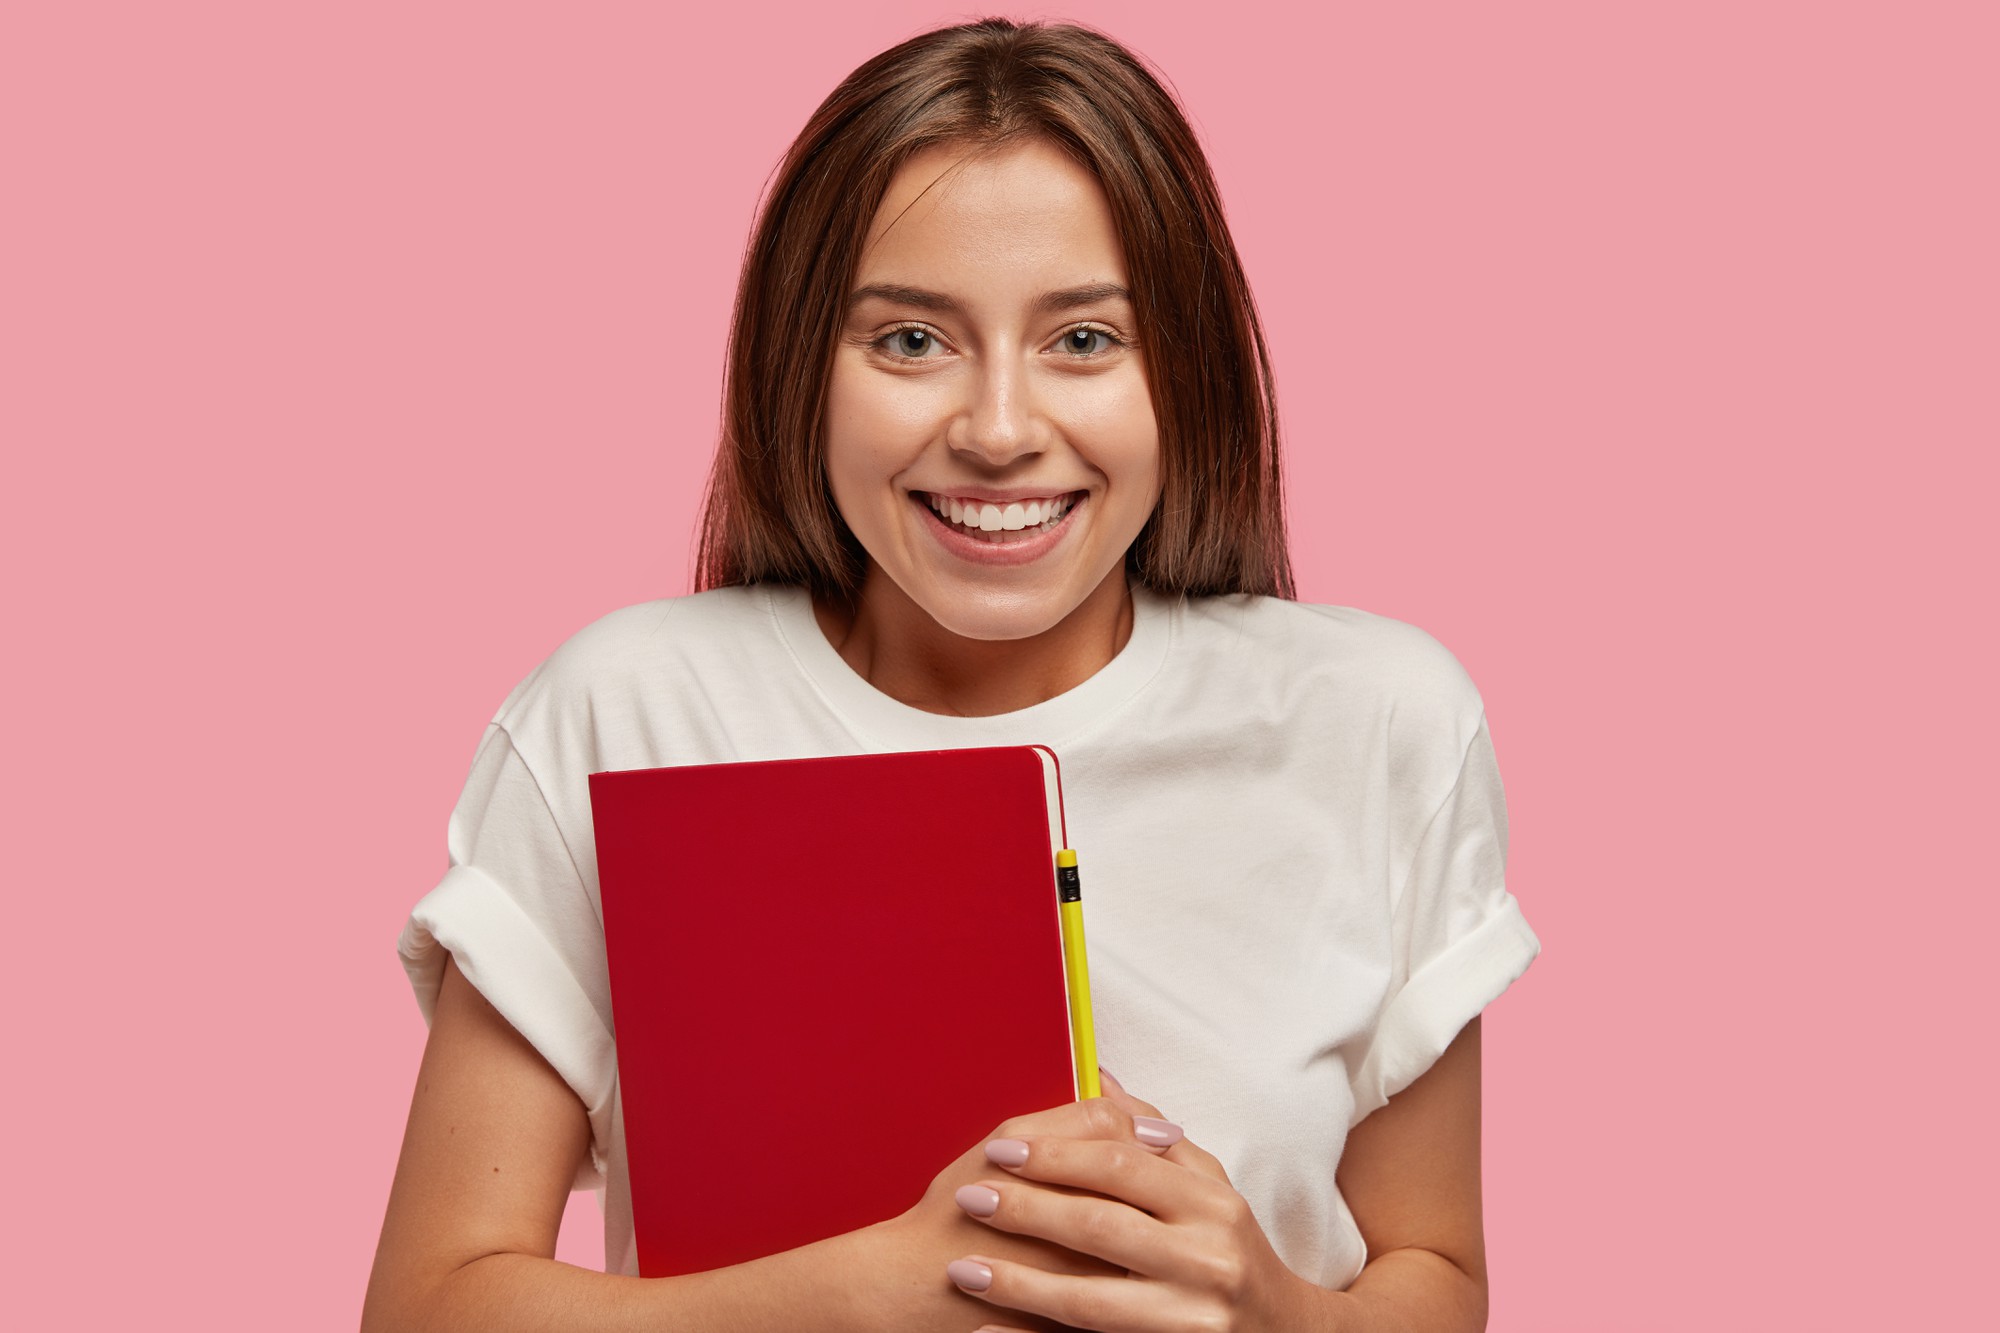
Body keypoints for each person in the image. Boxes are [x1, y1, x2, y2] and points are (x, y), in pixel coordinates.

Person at [363, 17, 1539, 1332]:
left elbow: (1432, 1277)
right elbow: (429, 1305)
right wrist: (860, 1294)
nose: (996, 430)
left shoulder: (1379, 721)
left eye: (1084, 340)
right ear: (801, 366)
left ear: (1185, 372)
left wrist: (1267, 1305)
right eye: (911, 341)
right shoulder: (626, 710)